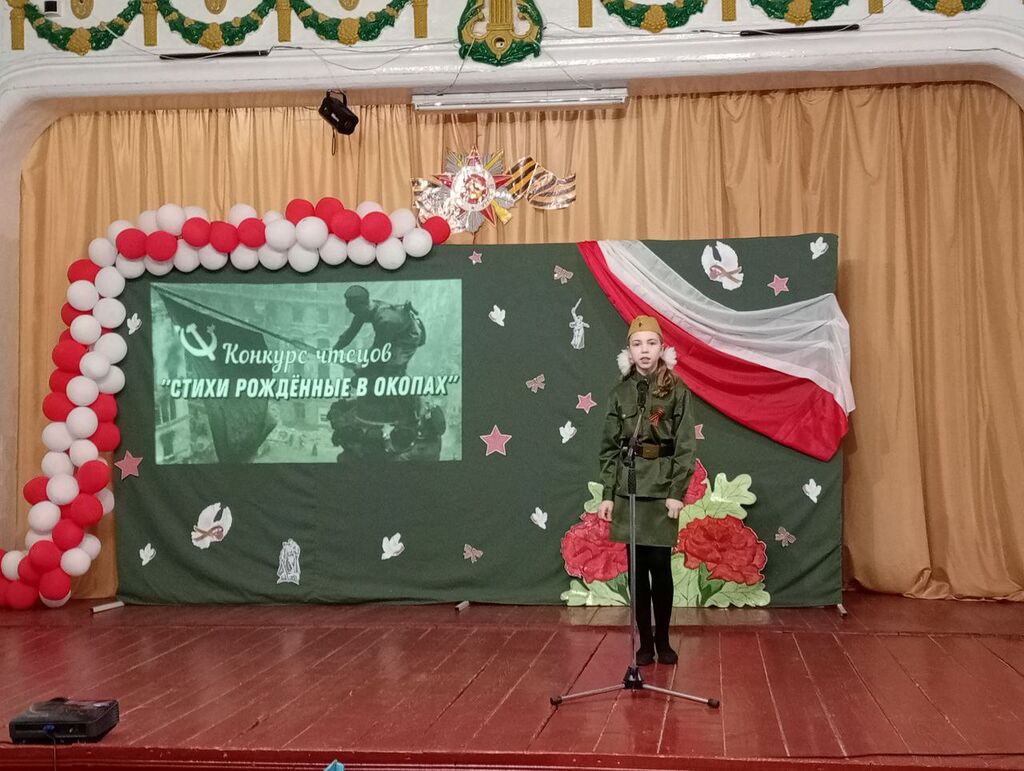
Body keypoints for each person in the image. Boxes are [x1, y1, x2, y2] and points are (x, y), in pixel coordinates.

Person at [597, 315, 696, 666]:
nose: (644, 350)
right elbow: (609, 449)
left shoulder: (676, 390)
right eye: (637, 344)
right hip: (630, 488)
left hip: (662, 487)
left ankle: (664, 639)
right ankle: (645, 643)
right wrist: (608, 494)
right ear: (628, 351)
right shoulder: (620, 393)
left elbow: (685, 445)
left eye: (651, 343)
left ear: (661, 348)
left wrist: (677, 491)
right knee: (637, 570)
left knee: (660, 566)